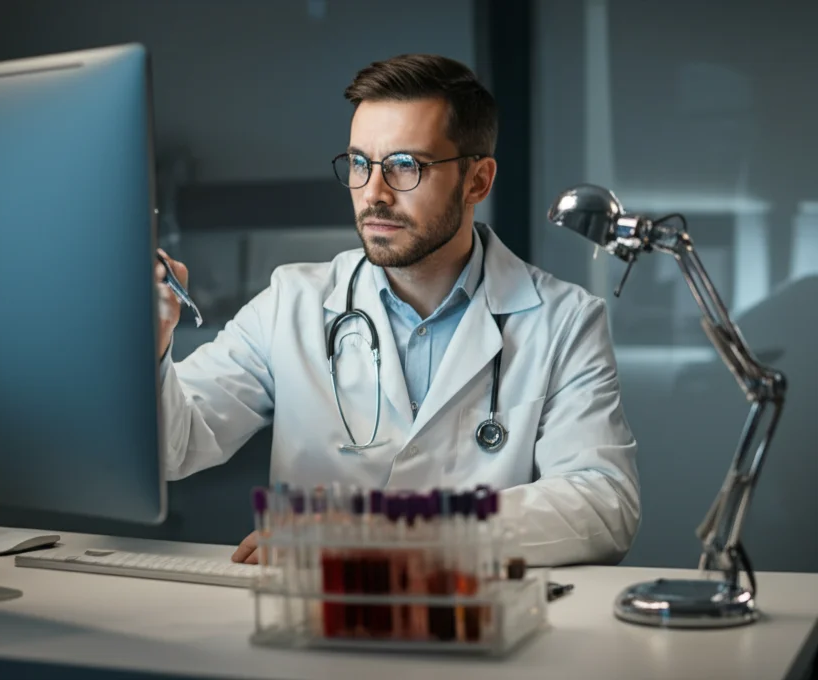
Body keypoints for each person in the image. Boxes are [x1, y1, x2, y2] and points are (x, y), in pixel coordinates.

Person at [155, 54, 640, 568]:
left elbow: (603, 504)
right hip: (309, 629)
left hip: (480, 627)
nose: (373, 193)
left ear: (477, 181)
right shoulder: (290, 303)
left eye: (406, 166)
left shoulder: (564, 321)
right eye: (360, 163)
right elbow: (175, 446)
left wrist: (377, 534)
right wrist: (154, 345)